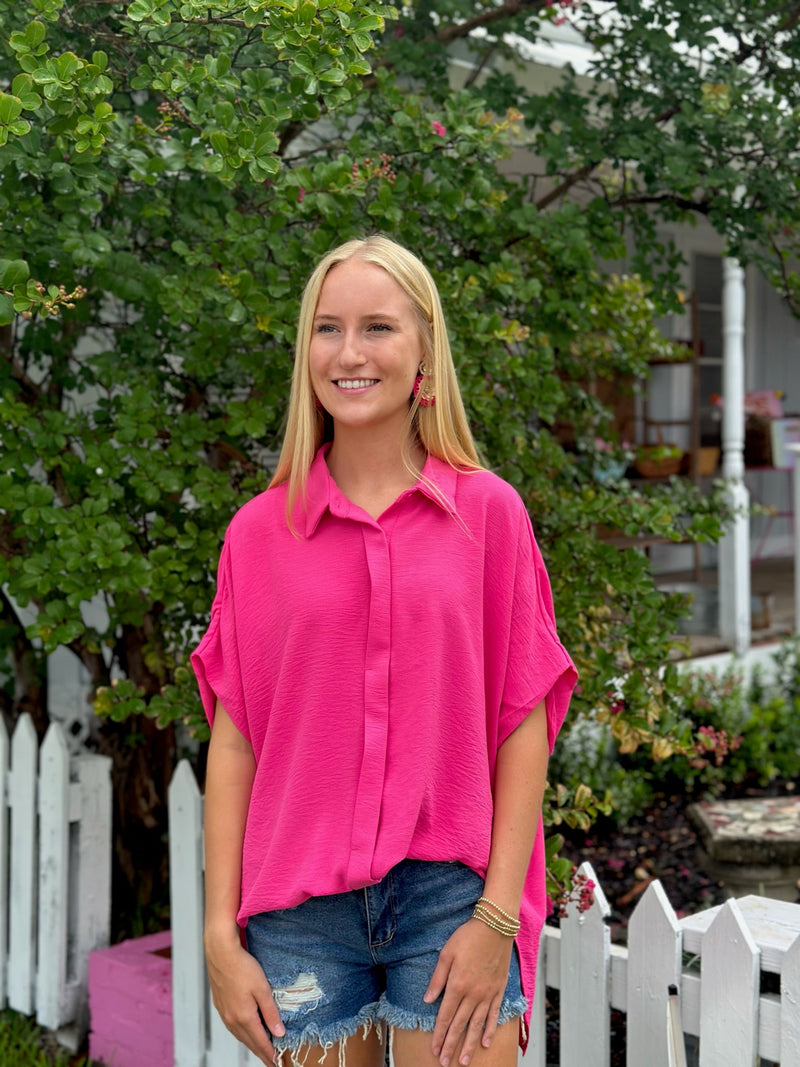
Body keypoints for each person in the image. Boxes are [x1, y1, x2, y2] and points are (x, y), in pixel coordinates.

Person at [191, 235, 576, 1067]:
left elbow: (522, 722)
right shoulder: (259, 534)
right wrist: (220, 935)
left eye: (378, 327)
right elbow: (235, 738)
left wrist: (496, 916)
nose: (350, 352)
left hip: (452, 898)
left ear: (423, 352)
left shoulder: (489, 517)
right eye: (328, 329)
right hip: (301, 913)